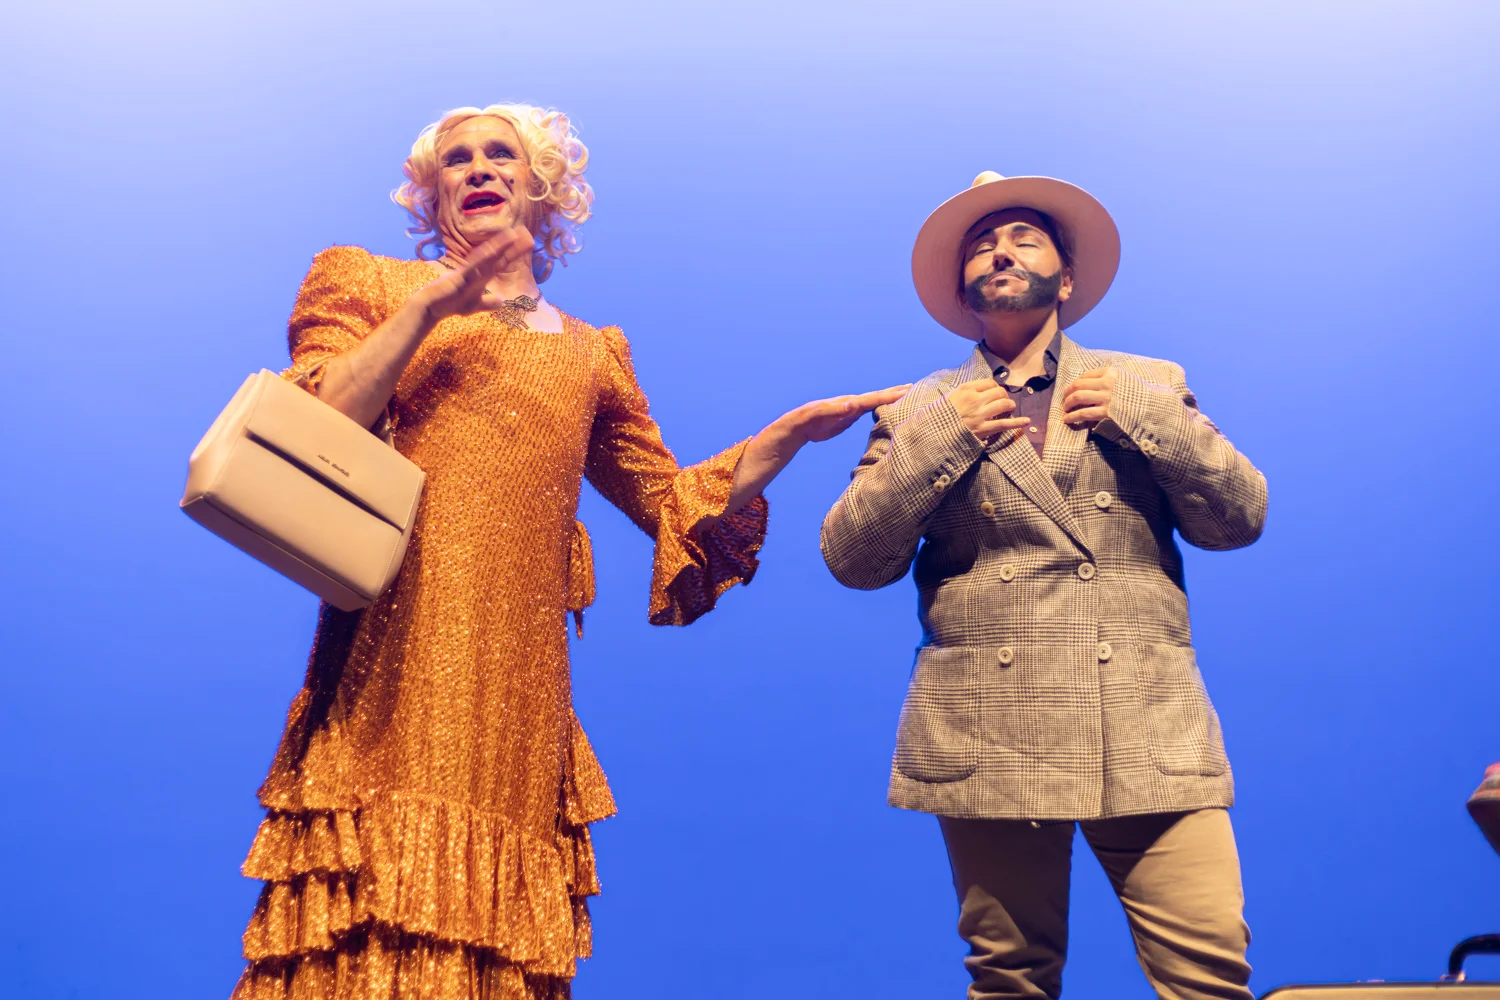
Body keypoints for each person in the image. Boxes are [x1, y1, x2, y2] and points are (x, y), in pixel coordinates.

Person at [228, 103, 905, 1000]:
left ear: (540, 187)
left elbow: (669, 503)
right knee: (368, 916)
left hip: (519, 687)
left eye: (499, 154)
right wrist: (431, 306)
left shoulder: (591, 354)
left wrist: (785, 438)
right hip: (398, 653)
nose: (478, 168)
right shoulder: (370, 281)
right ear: (431, 195)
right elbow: (320, 414)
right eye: (456, 160)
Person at [820, 171, 1267, 999]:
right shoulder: (920, 409)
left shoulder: (1146, 383)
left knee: (1209, 972)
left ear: (1066, 279)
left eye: (1024, 238)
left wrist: (1148, 418)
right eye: (982, 245)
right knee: (1010, 980)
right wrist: (941, 440)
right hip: (990, 727)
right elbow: (853, 558)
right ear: (963, 289)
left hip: (1144, 717)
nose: (1000, 251)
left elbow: (1239, 518)